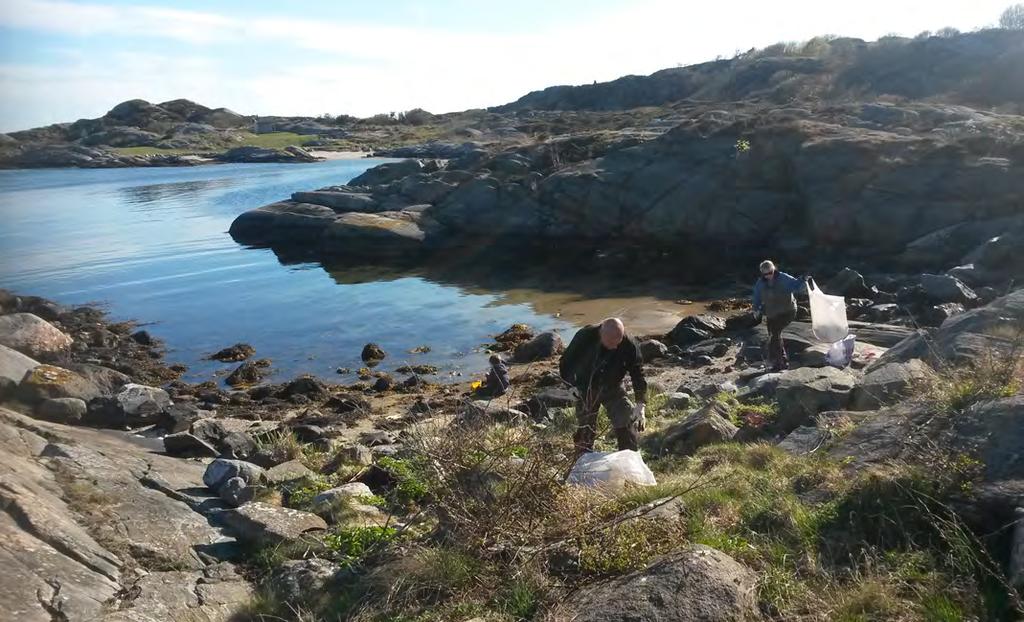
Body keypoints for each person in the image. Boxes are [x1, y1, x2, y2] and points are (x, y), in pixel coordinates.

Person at [559, 317, 647, 455]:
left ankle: (629, 457)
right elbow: (566, 362)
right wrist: (570, 386)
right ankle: (582, 459)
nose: (615, 347)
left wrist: (641, 403)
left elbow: (638, 373)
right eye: (611, 343)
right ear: (601, 334)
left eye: (618, 342)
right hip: (586, 387)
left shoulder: (629, 344)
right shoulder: (585, 337)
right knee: (586, 426)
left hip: (613, 386)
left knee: (625, 417)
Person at [751, 260, 808, 371]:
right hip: (772, 313)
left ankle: (779, 363)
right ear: (762, 274)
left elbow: (796, 285)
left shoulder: (783, 278)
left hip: (788, 311)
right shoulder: (760, 283)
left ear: (774, 270)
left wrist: (803, 280)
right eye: (765, 274)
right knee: (773, 335)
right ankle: (780, 360)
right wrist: (756, 309)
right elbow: (757, 297)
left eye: (770, 272)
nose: (768, 276)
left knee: (775, 334)